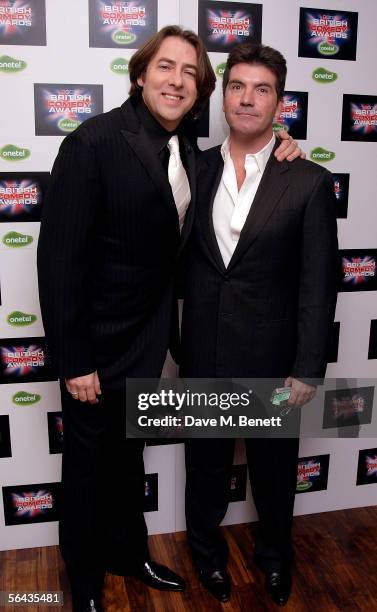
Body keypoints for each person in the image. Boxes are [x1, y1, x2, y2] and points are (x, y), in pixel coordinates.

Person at [37, 25, 302, 612]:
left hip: (149, 342)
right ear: (140, 75)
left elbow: (250, 161)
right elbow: (58, 263)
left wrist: (283, 142)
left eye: (189, 73)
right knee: (85, 470)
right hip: (96, 348)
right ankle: (81, 582)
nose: (177, 80)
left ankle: (128, 553)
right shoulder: (93, 142)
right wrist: (74, 359)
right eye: (165, 68)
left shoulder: (186, 149)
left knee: (126, 464)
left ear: (200, 90)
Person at [180, 42, 338, 606]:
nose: (248, 99)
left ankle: (275, 558)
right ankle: (207, 558)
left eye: (262, 89)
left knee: (273, 477)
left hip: (274, 362)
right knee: (204, 471)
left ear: (279, 102)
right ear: (222, 97)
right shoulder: (190, 170)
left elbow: (319, 285)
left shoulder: (308, 181)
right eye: (238, 86)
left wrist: (307, 370)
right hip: (202, 357)